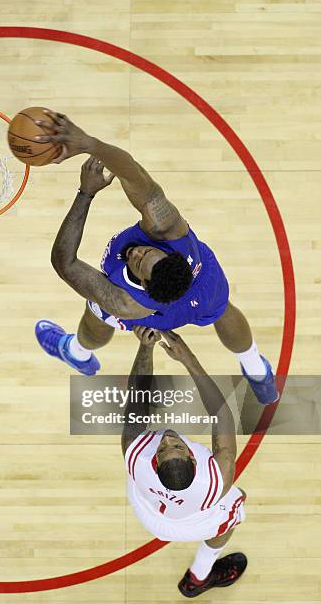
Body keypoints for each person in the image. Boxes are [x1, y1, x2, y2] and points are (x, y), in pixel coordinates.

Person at [34, 111, 278, 405]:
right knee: (222, 309)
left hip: (148, 311)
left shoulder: (126, 301)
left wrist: (86, 193)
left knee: (97, 313)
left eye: (137, 262)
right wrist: (89, 144)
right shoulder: (167, 228)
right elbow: (133, 174)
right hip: (203, 285)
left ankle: (77, 353)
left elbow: (65, 264)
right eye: (147, 251)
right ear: (167, 250)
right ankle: (257, 371)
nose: (136, 252)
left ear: (145, 285)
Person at [123, 326, 247, 598]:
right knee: (233, 510)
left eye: (164, 447)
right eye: (174, 445)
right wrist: (188, 359)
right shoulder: (217, 481)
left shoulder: (136, 456)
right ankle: (199, 577)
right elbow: (222, 414)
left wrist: (145, 348)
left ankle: (199, 576)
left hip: (150, 513)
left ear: (154, 464)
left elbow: (137, 397)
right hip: (192, 519)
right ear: (192, 456)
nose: (167, 438)